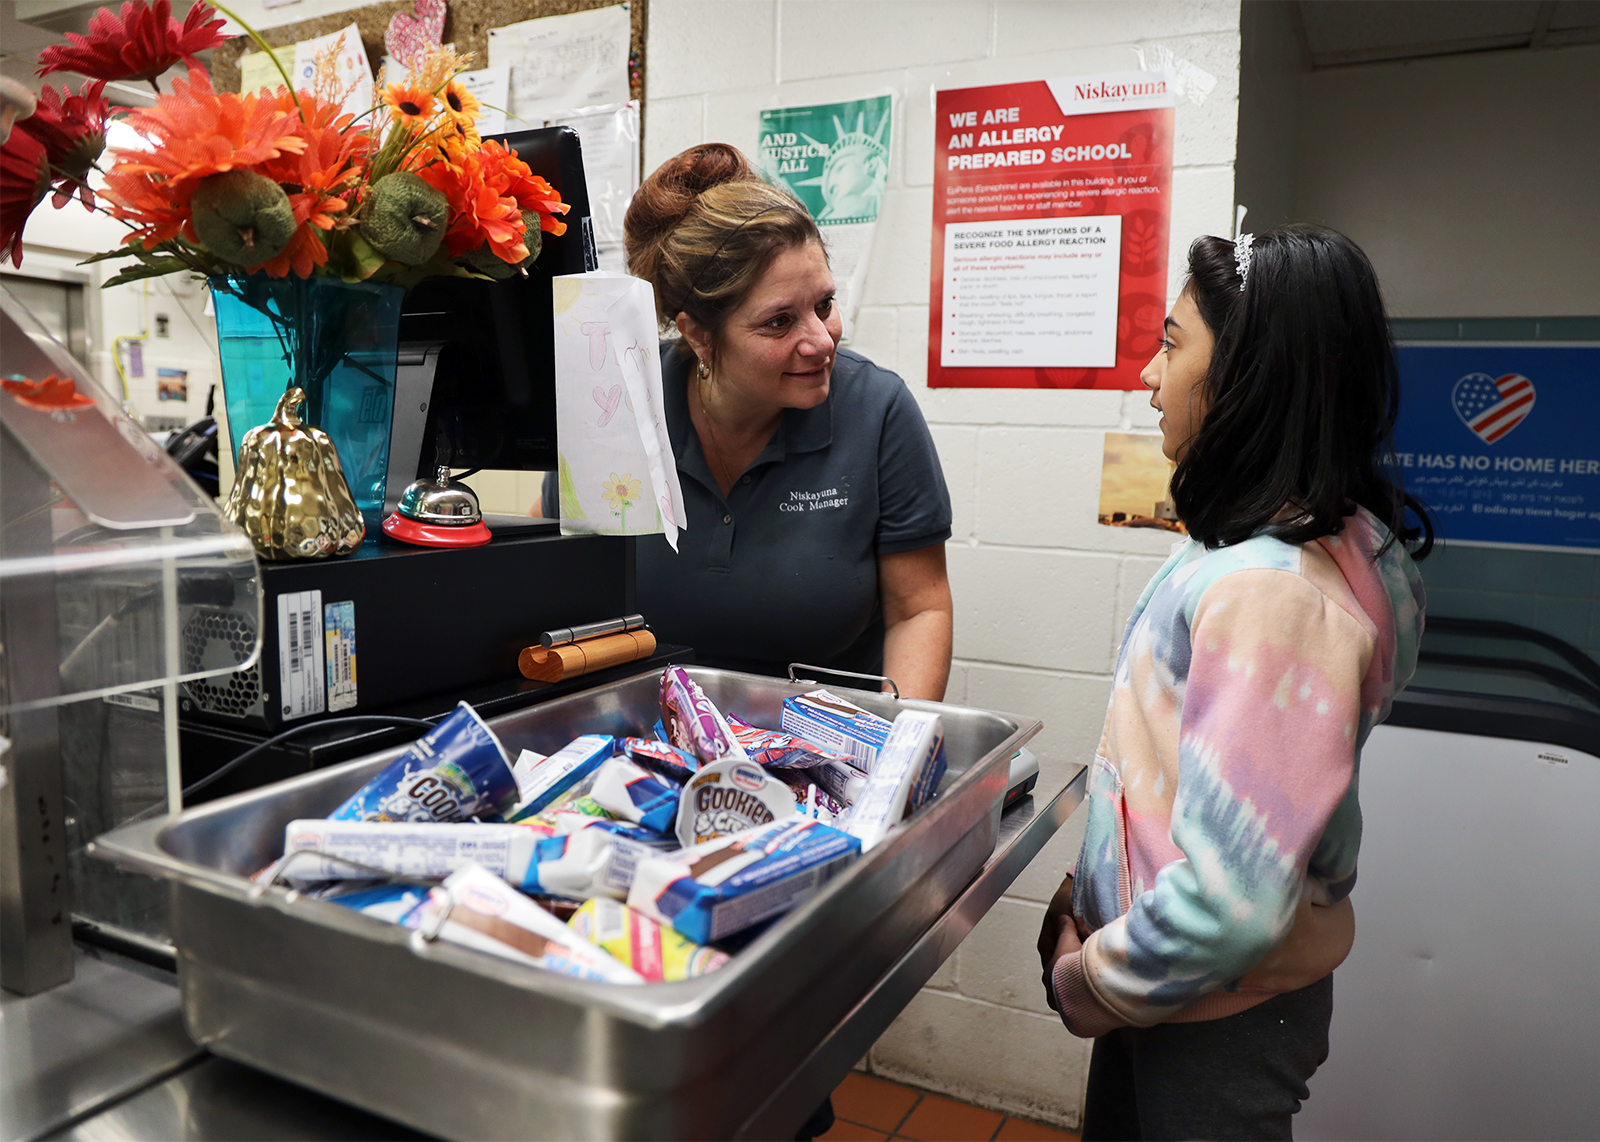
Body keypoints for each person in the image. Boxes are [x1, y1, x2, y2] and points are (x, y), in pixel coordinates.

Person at [1035, 224, 1431, 1140]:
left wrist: (1084, 981)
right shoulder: (1299, 544)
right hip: (1170, 986)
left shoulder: (1274, 593)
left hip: (1210, 1013)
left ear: (1252, 378)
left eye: (1173, 344)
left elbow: (1227, 905)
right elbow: (1173, 774)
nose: (1150, 374)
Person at [617, 143, 954, 700]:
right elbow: (563, 576)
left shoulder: (877, 410)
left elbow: (919, 609)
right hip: (651, 734)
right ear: (698, 333)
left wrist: (895, 752)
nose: (821, 341)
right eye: (779, 322)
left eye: (824, 304)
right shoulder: (627, 406)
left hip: (829, 742)